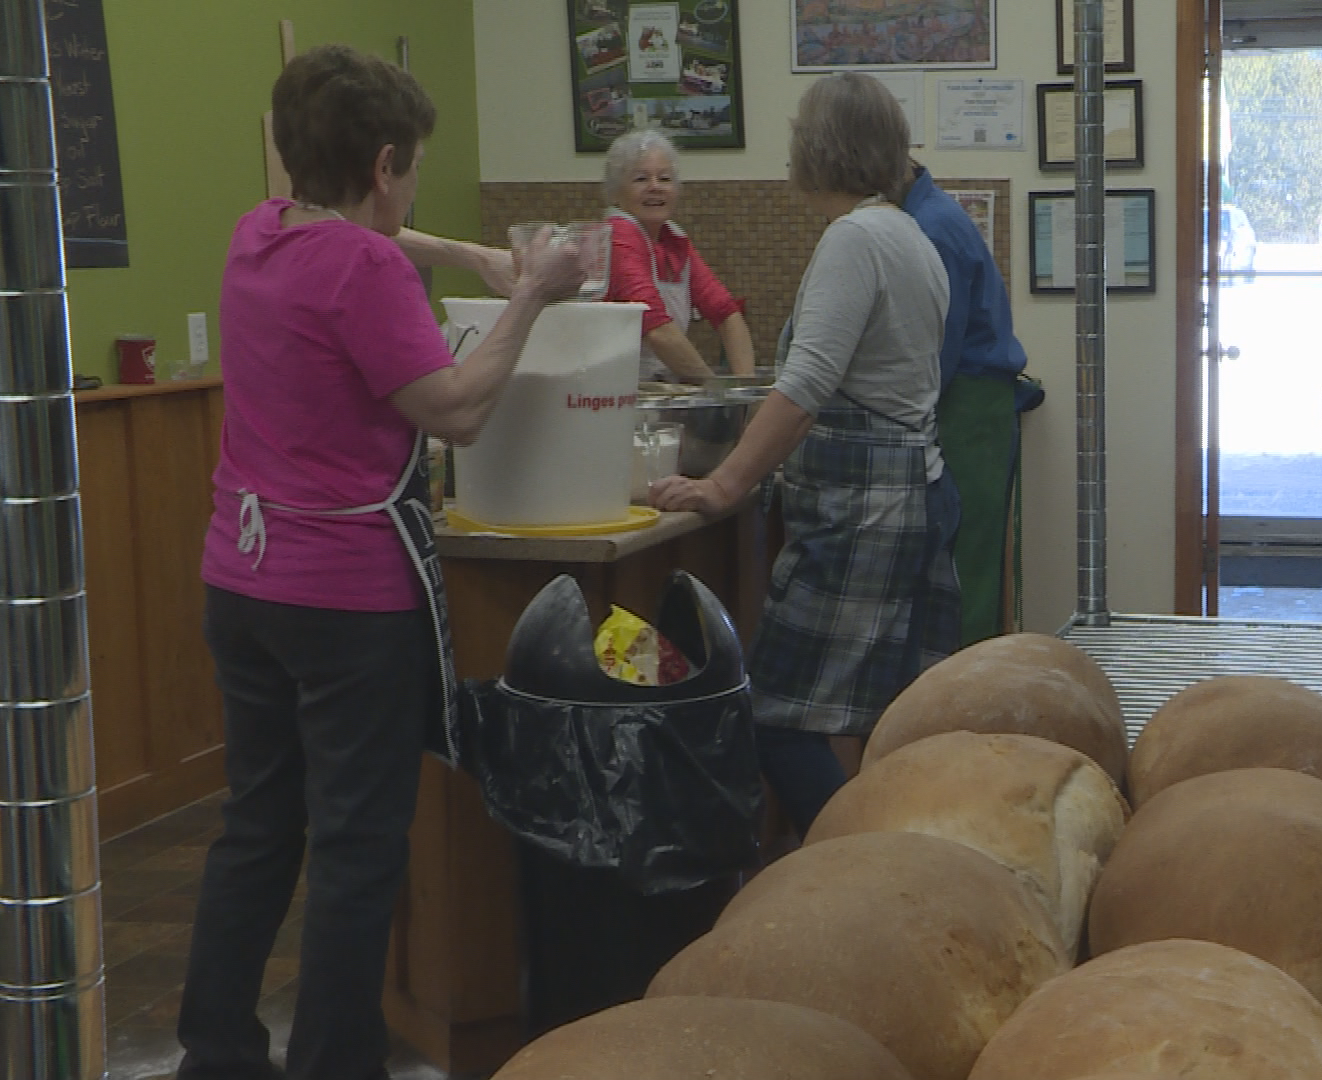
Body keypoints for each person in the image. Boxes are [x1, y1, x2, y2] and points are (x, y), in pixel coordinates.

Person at [179, 44, 584, 1080]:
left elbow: (370, 232)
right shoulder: (362, 269)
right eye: (409, 171)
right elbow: (455, 412)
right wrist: (529, 296)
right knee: (359, 849)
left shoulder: (257, 234)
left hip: (241, 580)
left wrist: (471, 260)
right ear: (389, 161)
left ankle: (215, 1052)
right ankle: (333, 1065)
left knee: (259, 828)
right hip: (343, 599)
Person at [650, 73, 960, 836]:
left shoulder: (855, 239)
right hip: (909, 493)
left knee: (779, 720)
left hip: (867, 512)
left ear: (818, 148)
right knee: (869, 721)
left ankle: (858, 866)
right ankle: (878, 874)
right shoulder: (907, 233)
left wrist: (724, 484)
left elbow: (804, 390)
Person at [900, 162, 1029, 645]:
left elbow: (939, 345)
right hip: (978, 399)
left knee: (963, 563)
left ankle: (968, 690)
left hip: (968, 403)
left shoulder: (930, 228)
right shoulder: (936, 213)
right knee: (972, 553)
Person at [603, 128, 756, 382]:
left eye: (664, 179)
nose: (655, 188)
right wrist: (714, 391)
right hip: (615, 390)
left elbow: (727, 314)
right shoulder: (618, 236)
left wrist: (745, 387)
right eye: (640, 179)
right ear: (616, 194)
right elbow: (657, 330)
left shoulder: (672, 241)